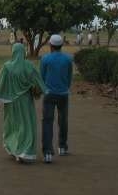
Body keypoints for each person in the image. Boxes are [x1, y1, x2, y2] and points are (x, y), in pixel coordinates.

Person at [0, 43, 47, 162]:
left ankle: (14, 149)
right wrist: (42, 91)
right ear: (24, 52)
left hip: (11, 102)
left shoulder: (7, 67)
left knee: (12, 126)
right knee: (26, 125)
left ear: (13, 52)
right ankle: (25, 152)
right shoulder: (29, 66)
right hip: (26, 102)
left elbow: (0, 85)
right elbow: (39, 83)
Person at [40, 34, 73, 164]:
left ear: (51, 45)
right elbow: (69, 76)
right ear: (61, 45)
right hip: (64, 94)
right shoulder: (68, 59)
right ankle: (62, 146)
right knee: (63, 120)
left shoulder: (45, 59)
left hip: (49, 94)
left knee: (47, 122)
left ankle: (48, 152)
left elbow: (41, 77)